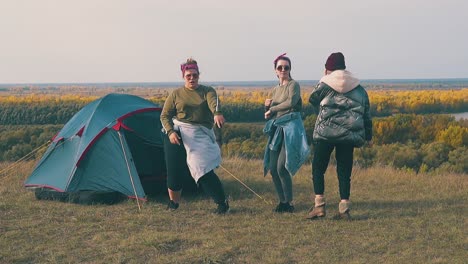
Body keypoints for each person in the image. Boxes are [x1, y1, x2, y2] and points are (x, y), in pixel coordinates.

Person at [306, 52, 372, 220]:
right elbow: (366, 114)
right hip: (348, 135)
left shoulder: (325, 85)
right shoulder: (358, 88)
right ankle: (344, 209)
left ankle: (319, 206)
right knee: (344, 171)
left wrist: (324, 78)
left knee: (318, 168)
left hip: (325, 134)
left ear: (328, 68)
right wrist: (368, 136)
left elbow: (312, 100)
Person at [160, 57, 229, 214]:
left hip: (199, 133)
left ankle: (222, 203)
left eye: (195, 75)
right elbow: (164, 115)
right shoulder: (176, 94)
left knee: (203, 168)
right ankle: (174, 203)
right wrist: (170, 132)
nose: (192, 78)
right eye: (188, 75)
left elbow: (214, 104)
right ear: (183, 76)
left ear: (199, 75)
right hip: (176, 132)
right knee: (174, 170)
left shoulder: (207, 91)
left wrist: (217, 114)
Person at [263, 53, 310, 213]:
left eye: (286, 67)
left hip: (291, 129)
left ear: (290, 69)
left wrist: (273, 107)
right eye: (280, 67)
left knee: (282, 167)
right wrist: (267, 108)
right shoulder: (275, 89)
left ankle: (289, 202)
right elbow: (273, 112)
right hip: (278, 129)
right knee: (272, 167)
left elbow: (291, 102)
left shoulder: (293, 85)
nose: (283, 70)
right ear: (275, 71)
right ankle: (282, 201)